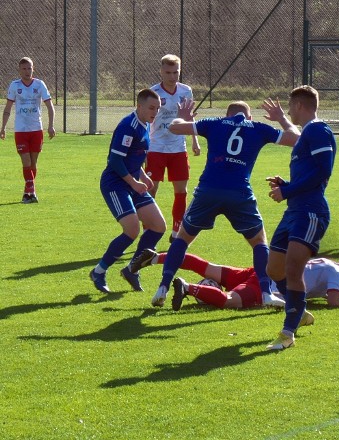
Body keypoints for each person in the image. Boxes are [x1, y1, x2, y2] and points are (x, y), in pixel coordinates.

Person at [149, 99, 300, 308]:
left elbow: (174, 127)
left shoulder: (215, 123)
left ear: (227, 115)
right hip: (239, 193)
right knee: (259, 242)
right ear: (249, 117)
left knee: (182, 238)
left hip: (208, 190)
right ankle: (266, 293)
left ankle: (162, 288)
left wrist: (184, 115)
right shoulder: (258, 128)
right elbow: (296, 138)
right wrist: (282, 118)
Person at [264, 85, 337, 351]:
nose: (289, 111)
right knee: (274, 269)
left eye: (290, 107)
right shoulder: (307, 133)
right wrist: (288, 184)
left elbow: (323, 171)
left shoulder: (318, 130)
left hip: (310, 211)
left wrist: (288, 190)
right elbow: (310, 172)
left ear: (299, 106)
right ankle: (299, 310)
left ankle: (287, 332)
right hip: (294, 210)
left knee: (293, 270)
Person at [89, 89, 166, 293]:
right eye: (151, 108)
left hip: (132, 182)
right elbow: (115, 161)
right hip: (115, 184)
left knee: (158, 226)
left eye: (157, 109)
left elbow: (133, 156)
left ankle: (132, 269)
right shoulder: (128, 126)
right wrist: (134, 183)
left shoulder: (145, 124)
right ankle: (99, 271)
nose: (155, 112)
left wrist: (143, 176)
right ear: (139, 106)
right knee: (132, 230)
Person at [129, 248, 339, 314]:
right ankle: (188, 287)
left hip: (260, 271)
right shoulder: (337, 274)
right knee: (232, 301)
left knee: (209, 267)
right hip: (266, 286)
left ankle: (156, 258)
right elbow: (334, 301)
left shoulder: (327, 262)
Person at [146, 54, 201, 242]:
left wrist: (195, 141)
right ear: (161, 71)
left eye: (175, 72)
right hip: (156, 147)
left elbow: (189, 117)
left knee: (182, 191)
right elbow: (145, 119)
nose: (172, 76)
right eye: (168, 72)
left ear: (180, 71)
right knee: (151, 190)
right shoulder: (153, 92)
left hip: (178, 147)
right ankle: (149, 231)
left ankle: (176, 231)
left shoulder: (186, 91)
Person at [1, 57, 55, 203]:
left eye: (29, 68)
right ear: (19, 70)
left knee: (33, 163)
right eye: (24, 69)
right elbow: (7, 109)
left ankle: (28, 193)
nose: (27, 71)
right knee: (25, 162)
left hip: (36, 129)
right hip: (20, 130)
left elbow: (50, 106)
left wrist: (51, 125)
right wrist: (3, 127)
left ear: (33, 69)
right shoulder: (14, 86)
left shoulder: (39, 84)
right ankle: (32, 192)